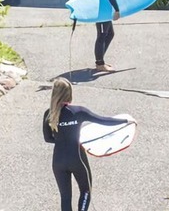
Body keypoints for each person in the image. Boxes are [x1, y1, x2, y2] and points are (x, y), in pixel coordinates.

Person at [42, 77, 125, 211]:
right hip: (77, 158)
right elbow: (103, 120)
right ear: (69, 94)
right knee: (86, 190)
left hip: (58, 161)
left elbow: (47, 138)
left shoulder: (49, 114)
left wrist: (62, 140)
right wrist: (126, 121)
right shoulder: (78, 112)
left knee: (65, 197)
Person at [85, 0, 121, 73]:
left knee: (110, 33)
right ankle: (100, 63)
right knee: (102, 36)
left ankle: (100, 58)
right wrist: (117, 9)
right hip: (102, 11)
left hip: (104, 10)